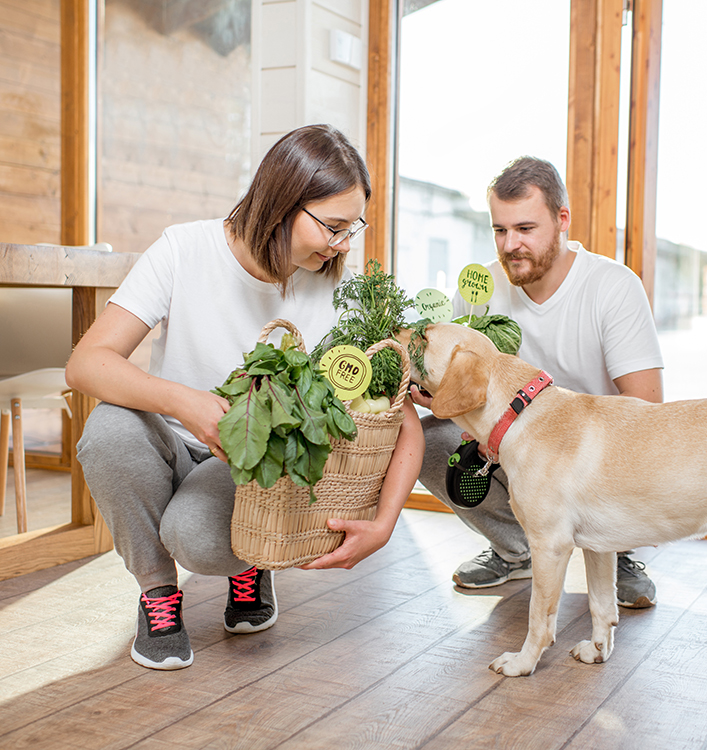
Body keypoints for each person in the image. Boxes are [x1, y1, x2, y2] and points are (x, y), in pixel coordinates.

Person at [66, 124, 424, 671]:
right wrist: (186, 403)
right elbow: (86, 363)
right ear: (282, 203)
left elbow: (402, 419)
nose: (343, 245)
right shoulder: (184, 249)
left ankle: (250, 563)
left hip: (249, 467)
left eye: (353, 228)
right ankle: (158, 593)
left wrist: (384, 525)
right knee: (109, 432)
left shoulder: (335, 291)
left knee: (196, 539)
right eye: (332, 227)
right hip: (173, 436)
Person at [412, 156, 664, 608]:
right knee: (430, 439)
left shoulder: (612, 286)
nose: (510, 245)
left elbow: (646, 406)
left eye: (525, 228)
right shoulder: (480, 289)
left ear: (562, 219)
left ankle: (614, 548)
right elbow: (460, 389)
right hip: (510, 454)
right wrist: (443, 401)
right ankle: (517, 550)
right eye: (500, 230)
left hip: (594, 465)